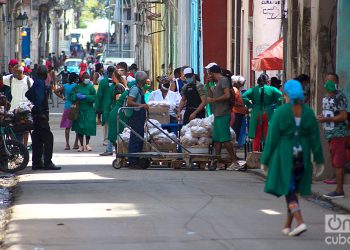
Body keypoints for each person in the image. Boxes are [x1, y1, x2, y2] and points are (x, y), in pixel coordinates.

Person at [261, 79, 324, 236]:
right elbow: (315, 138)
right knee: (293, 190)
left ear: (286, 94)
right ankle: (288, 225)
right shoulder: (308, 113)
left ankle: (300, 221)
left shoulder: (281, 112)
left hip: (285, 155)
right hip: (302, 155)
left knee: (288, 190)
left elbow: (272, 138)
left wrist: (265, 159)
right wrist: (318, 159)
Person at [317, 73, 349, 199]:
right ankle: (338, 188)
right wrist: (321, 117)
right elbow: (328, 114)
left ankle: (339, 190)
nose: (329, 83)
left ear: (336, 83)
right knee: (335, 162)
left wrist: (325, 120)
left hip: (339, 134)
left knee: (338, 162)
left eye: (332, 81)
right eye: (327, 80)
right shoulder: (326, 97)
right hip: (331, 134)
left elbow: (343, 116)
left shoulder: (339, 96)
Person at [25, 66, 60, 170]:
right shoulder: (40, 83)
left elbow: (28, 94)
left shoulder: (36, 82)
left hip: (36, 114)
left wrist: (35, 104)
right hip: (40, 115)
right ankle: (47, 162)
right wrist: (41, 113)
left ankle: (37, 163)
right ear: (45, 75)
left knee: (37, 139)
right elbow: (39, 99)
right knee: (48, 138)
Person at [206, 64, 239, 170]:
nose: (209, 76)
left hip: (223, 113)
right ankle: (217, 161)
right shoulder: (216, 83)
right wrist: (207, 84)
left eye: (210, 74)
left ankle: (235, 162)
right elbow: (211, 96)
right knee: (217, 140)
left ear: (213, 73)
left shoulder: (223, 80)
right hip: (217, 114)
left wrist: (214, 100)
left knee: (225, 139)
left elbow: (227, 95)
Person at [242, 73, 282, 151]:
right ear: (268, 81)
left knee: (257, 135)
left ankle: (255, 153)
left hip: (256, 113)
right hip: (268, 112)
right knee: (268, 134)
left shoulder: (253, 89)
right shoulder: (272, 89)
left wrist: (250, 105)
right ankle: (268, 154)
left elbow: (244, 96)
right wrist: (276, 106)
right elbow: (281, 96)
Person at [99, 68, 126, 156]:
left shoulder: (118, 86)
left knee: (113, 130)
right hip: (118, 110)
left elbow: (118, 99)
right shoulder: (121, 85)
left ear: (114, 77)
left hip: (116, 110)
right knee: (117, 130)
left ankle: (110, 149)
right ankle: (113, 149)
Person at [69, 72, 97, 152]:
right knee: (80, 128)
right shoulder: (76, 87)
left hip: (89, 110)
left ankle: (87, 144)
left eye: (88, 77)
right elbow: (71, 96)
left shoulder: (90, 87)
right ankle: (81, 145)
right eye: (85, 77)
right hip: (79, 110)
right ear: (81, 78)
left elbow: (95, 97)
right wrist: (76, 96)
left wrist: (86, 97)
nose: (87, 79)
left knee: (88, 127)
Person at [127, 71, 149, 168]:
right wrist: (142, 105)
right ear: (142, 80)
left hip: (140, 116)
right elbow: (129, 102)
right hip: (136, 116)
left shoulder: (140, 89)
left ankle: (136, 158)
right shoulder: (135, 89)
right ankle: (132, 161)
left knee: (139, 137)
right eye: (145, 80)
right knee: (135, 138)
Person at [54, 72, 79, 150]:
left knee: (67, 127)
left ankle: (67, 144)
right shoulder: (76, 86)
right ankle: (75, 144)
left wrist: (62, 97)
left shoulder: (65, 86)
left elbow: (55, 91)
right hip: (75, 107)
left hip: (67, 107)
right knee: (77, 127)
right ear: (75, 79)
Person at [230, 75, 248, 144]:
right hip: (237, 113)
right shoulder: (235, 90)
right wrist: (243, 105)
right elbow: (233, 102)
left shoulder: (237, 90)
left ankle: (238, 143)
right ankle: (235, 143)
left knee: (239, 129)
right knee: (236, 130)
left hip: (240, 113)